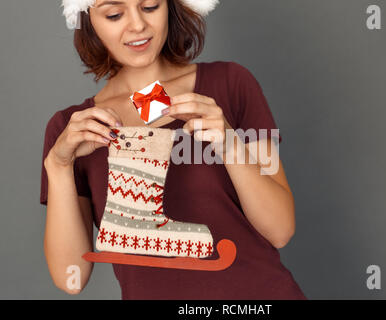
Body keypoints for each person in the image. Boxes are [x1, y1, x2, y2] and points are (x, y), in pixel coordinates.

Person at [40, 0, 307, 299]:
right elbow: (70, 279)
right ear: (88, 20)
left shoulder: (230, 84)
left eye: (150, 6)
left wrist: (231, 145)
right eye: (114, 14)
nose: (138, 25)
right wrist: (59, 166)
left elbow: (280, 231)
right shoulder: (73, 130)